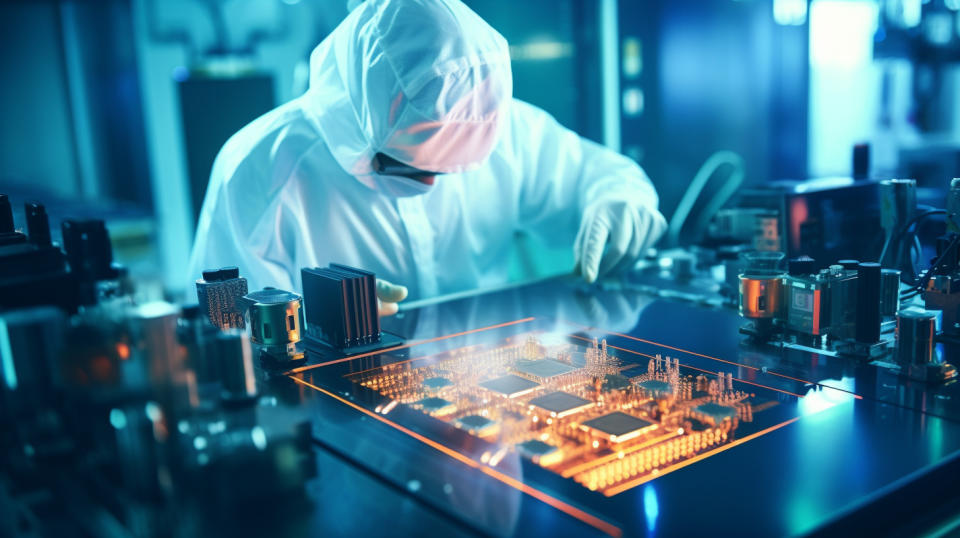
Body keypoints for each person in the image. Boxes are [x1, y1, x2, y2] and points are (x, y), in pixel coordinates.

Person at [186, 0, 665, 316]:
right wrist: (307, 317)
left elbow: (600, 177)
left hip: (494, 410)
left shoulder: (505, 125)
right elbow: (221, 325)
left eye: (453, 169)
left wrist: (620, 200)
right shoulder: (257, 170)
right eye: (411, 170)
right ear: (360, 131)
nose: (433, 186)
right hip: (356, 430)